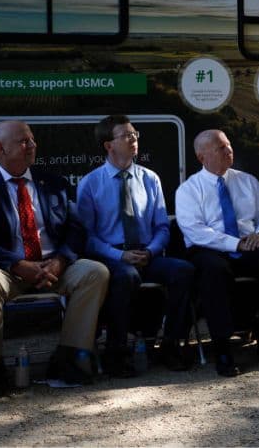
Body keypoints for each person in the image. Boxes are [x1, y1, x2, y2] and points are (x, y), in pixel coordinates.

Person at [0, 120, 109, 397]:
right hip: (7, 271)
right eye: (23, 141)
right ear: (1, 149)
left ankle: (70, 358)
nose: (32, 145)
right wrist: (17, 264)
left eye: (32, 139)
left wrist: (61, 261)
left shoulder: (54, 183)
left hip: (54, 268)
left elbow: (76, 229)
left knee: (95, 272)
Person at [77, 115, 195, 376]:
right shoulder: (90, 183)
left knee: (183, 270)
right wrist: (119, 255)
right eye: (126, 136)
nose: (133, 140)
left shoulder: (150, 178)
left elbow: (162, 226)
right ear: (109, 145)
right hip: (112, 257)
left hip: (146, 252)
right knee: (126, 276)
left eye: (135, 134)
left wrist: (151, 251)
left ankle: (170, 345)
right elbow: (88, 237)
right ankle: (116, 353)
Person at [175, 129, 259, 377]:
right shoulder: (189, 190)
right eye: (221, 148)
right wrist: (234, 244)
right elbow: (196, 231)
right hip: (209, 249)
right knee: (214, 270)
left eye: (228, 145)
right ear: (202, 156)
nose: (229, 150)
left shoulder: (248, 181)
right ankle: (222, 347)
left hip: (249, 244)